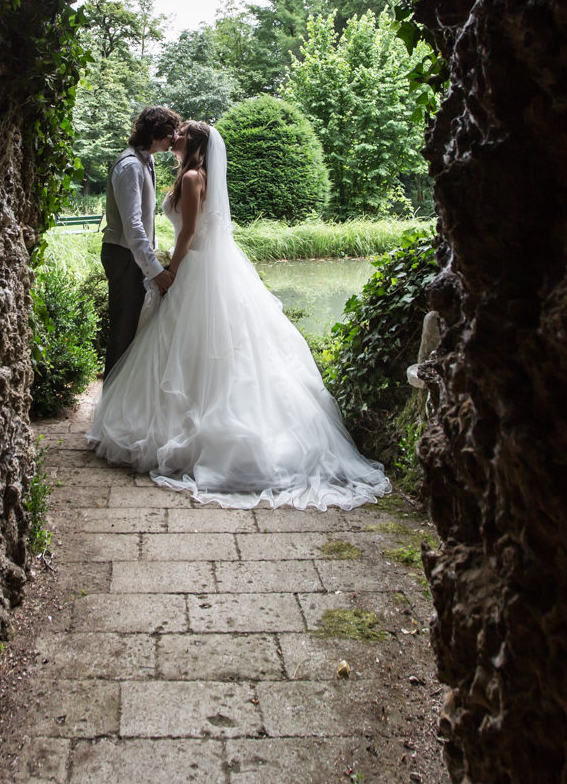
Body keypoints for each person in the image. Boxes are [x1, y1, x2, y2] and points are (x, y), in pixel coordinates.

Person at [87, 120, 391, 510]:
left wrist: (173, 271)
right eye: (173, 131)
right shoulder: (182, 173)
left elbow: (189, 233)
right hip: (194, 268)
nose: (175, 137)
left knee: (203, 348)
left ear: (193, 142)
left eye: (181, 133)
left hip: (197, 270)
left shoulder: (195, 176)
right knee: (183, 348)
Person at [100, 105, 182, 376]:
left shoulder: (146, 161)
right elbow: (133, 226)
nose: (175, 138)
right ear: (158, 132)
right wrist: (156, 271)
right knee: (123, 332)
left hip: (131, 254)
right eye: (172, 132)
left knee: (135, 330)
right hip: (123, 255)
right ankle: (111, 404)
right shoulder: (130, 166)